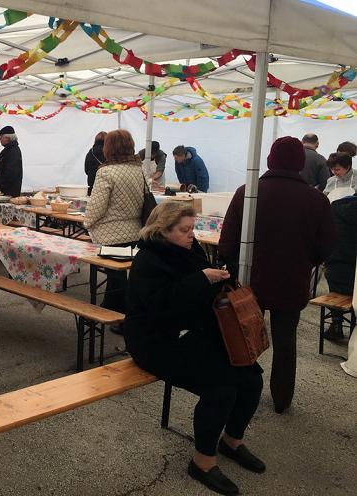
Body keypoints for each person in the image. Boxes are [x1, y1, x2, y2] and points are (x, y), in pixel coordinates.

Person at [126, 202, 264, 496]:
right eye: (184, 230)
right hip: (155, 342)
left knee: (252, 377)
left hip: (194, 334)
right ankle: (203, 462)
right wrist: (202, 279)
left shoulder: (190, 249)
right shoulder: (148, 260)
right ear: (163, 231)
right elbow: (162, 306)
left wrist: (222, 278)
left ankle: (232, 441)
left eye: (193, 228)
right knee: (221, 388)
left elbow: (202, 294)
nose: (192, 235)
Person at [219, 136, 336, 414]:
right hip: (291, 281)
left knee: (244, 338)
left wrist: (232, 268)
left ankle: (240, 391)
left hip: (250, 280)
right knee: (286, 343)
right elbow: (327, 245)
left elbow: (227, 240)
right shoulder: (317, 200)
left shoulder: (248, 192)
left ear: (270, 159)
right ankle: (281, 400)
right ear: (300, 163)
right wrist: (306, 261)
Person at [84, 130, 144, 324]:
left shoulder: (106, 172)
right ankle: (115, 310)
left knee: (115, 277)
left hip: (111, 234)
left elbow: (97, 207)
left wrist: (87, 223)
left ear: (109, 147)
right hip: (135, 230)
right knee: (119, 276)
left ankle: (118, 316)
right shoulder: (139, 170)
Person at [324, 192, 357, 340]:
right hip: (354, 278)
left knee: (335, 276)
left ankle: (336, 324)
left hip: (336, 274)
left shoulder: (336, 206)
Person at [0, 125, 23, 197]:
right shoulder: (8, 149)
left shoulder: (13, 151)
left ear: (7, 138)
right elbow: (0, 165)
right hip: (5, 189)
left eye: (1, 137)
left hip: (9, 191)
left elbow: (10, 173)